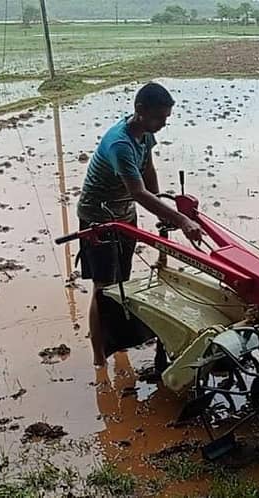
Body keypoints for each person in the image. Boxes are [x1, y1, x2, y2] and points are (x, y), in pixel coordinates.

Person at [77, 81, 200, 366]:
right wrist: (180, 219)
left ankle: (118, 344)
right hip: (98, 218)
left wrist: (163, 211)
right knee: (103, 288)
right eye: (159, 117)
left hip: (123, 214)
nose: (162, 124)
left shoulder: (145, 134)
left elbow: (148, 170)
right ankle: (99, 359)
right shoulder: (120, 143)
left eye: (166, 119)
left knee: (122, 283)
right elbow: (137, 192)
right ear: (140, 110)